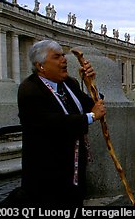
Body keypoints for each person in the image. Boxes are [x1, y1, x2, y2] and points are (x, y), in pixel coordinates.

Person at [17, 39, 106, 206]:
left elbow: (92, 105)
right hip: (46, 172)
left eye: (63, 55)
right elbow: (52, 123)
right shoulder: (29, 89)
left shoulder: (69, 83)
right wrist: (91, 117)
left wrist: (90, 84)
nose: (64, 60)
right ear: (41, 65)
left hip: (74, 168)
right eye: (57, 57)